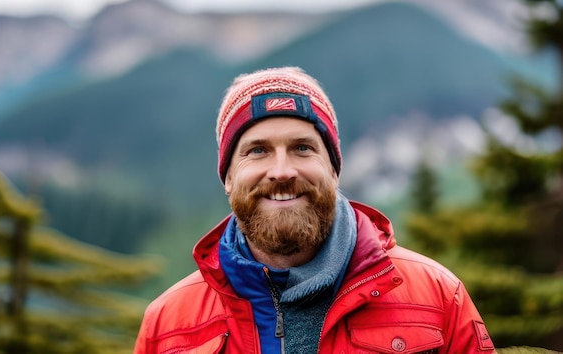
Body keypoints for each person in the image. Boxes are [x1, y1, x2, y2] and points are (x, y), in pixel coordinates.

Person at [134, 67, 495, 353]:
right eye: (257, 150)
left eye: (303, 148)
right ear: (227, 175)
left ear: (334, 168)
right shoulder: (167, 325)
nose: (282, 171)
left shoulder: (438, 298)